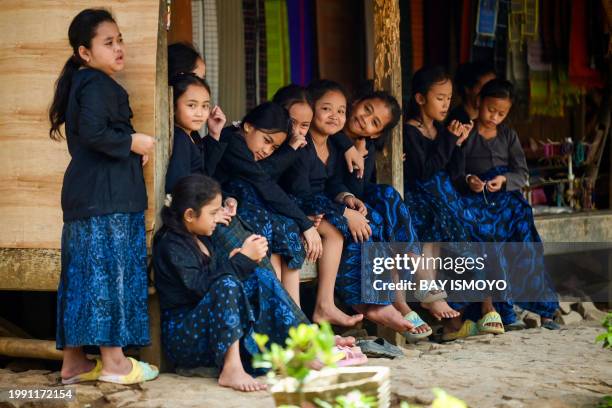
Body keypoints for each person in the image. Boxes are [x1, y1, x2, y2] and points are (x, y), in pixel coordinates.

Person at [50, 8, 158, 384]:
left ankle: (74, 363)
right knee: (107, 274)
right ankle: (115, 364)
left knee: (82, 277)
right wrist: (134, 140)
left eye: (120, 40)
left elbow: (92, 134)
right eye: (108, 43)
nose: (119, 48)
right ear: (84, 52)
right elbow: (96, 133)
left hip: (88, 197)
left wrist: (129, 147)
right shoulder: (96, 84)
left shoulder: (83, 83)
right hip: (105, 199)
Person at [154, 175, 309, 392]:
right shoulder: (171, 244)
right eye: (213, 212)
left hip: (213, 331)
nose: (218, 218)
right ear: (189, 215)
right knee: (228, 283)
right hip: (185, 338)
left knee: (259, 276)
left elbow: (214, 276)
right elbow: (200, 287)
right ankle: (232, 368)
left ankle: (302, 342)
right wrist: (240, 261)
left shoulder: (203, 237)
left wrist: (238, 262)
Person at [403, 66, 510, 340]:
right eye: (440, 98)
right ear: (419, 98)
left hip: (446, 196)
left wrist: (459, 145)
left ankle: (485, 308)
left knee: (479, 226)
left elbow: (454, 174)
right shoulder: (409, 131)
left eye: (448, 98)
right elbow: (425, 171)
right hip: (423, 198)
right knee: (451, 227)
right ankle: (457, 317)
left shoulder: (442, 129)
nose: (446, 104)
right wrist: (449, 140)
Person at [337, 88, 449, 340]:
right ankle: (400, 302)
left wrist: (362, 157)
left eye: (374, 122)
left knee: (388, 195)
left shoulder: (364, 145)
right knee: (376, 223)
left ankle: (416, 284)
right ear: (355, 102)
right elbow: (343, 190)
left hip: (355, 202)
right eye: (366, 110)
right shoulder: (333, 132)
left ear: (376, 133)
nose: (365, 119)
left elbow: (361, 190)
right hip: (335, 204)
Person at [459, 79, 560, 329]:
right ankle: (498, 310)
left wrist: (504, 180)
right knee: (486, 239)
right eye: (490, 109)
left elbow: (522, 173)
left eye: (501, 113)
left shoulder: (508, 135)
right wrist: (469, 179)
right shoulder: (465, 132)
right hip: (475, 200)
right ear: (479, 102)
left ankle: (546, 311)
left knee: (526, 243)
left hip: (507, 199)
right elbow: (455, 170)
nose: (494, 117)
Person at [214, 102, 323, 305]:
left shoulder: (249, 146)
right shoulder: (232, 141)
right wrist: (305, 224)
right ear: (248, 126)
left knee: (286, 226)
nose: (267, 150)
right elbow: (262, 181)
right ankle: (290, 318)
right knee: (275, 226)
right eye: (266, 140)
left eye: (274, 147)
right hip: (231, 220)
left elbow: (263, 175)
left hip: (262, 214)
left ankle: (296, 314)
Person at [274, 83, 364, 327]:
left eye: (341, 110)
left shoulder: (335, 145)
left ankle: (344, 302)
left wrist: (346, 197)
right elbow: (300, 192)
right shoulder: (302, 145)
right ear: (311, 111)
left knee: (361, 225)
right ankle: (327, 305)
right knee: (337, 229)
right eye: (326, 108)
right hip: (296, 205)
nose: (335, 116)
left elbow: (332, 182)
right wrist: (343, 212)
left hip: (318, 206)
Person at [165, 73, 226, 193]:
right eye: (192, 105)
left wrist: (214, 134)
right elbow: (177, 187)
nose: (200, 113)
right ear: (173, 105)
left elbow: (204, 174)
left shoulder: (192, 135)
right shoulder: (180, 139)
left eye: (205, 106)